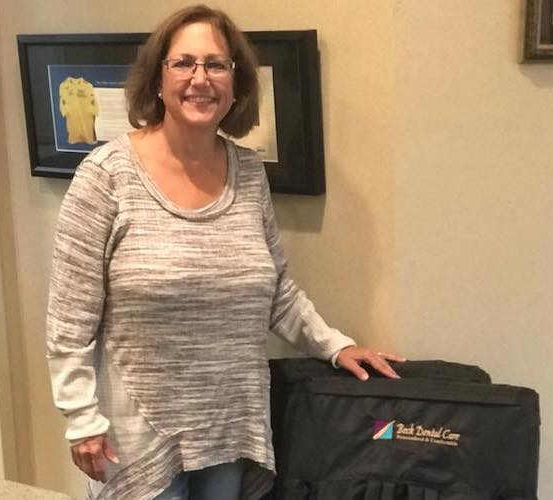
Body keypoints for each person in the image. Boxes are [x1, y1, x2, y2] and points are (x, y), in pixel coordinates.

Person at [45, 5, 405, 500]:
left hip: (230, 426)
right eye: (184, 63)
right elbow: (69, 320)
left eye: (216, 64)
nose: (201, 79)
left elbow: (276, 288)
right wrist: (80, 417)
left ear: (235, 83)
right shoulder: (106, 176)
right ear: (157, 79)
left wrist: (336, 345)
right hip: (140, 438)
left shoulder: (249, 172)